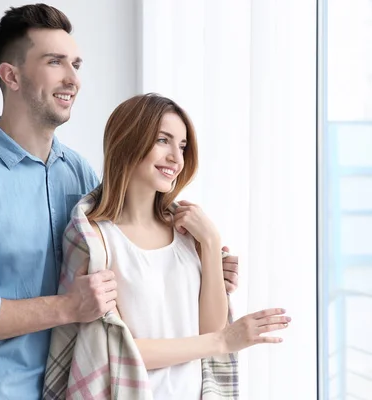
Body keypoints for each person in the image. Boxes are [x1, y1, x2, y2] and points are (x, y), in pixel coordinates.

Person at [0, 4, 238, 399]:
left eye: (76, 64)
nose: (73, 79)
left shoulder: (81, 175)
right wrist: (66, 307)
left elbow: (120, 264)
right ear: (10, 75)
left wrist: (202, 273)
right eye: (55, 62)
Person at [46, 93, 290, 399]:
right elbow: (116, 351)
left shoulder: (189, 233)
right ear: (128, 140)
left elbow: (209, 330)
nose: (177, 157)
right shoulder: (95, 240)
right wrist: (224, 341)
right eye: (164, 140)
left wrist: (211, 244)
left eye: (183, 146)